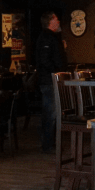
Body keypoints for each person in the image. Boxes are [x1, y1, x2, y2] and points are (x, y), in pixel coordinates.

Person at [35, 11, 66, 152]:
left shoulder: (49, 38)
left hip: (49, 79)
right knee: (50, 113)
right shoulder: (47, 38)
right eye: (56, 19)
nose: (58, 22)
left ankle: (50, 143)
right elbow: (45, 60)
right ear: (50, 22)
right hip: (49, 80)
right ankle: (48, 144)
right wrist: (56, 72)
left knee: (51, 113)